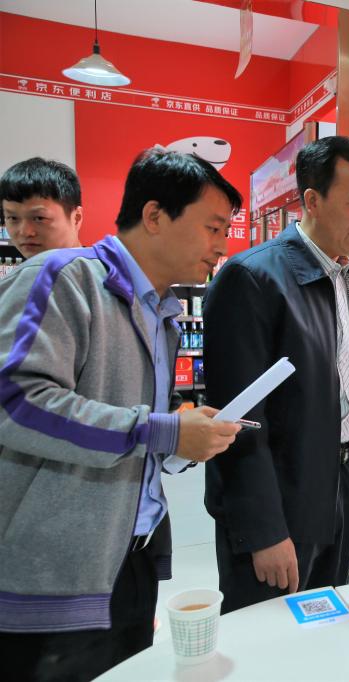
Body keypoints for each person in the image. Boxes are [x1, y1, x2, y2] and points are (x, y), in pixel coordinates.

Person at [0, 148, 242, 680]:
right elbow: (16, 400)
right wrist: (160, 430)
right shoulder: (63, 277)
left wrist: (184, 435)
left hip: (131, 559)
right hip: (54, 574)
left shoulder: (164, 315)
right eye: (213, 228)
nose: (222, 247)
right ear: (154, 216)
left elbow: (136, 429)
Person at [204, 136, 349, 613]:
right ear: (313, 201)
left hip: (338, 487)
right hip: (281, 500)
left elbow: (334, 374)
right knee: (267, 633)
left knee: (326, 624)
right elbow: (236, 422)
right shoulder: (253, 279)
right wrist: (264, 531)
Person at [0, 157, 84, 258]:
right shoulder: (30, 268)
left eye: (39, 218)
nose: (25, 232)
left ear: (76, 218)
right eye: (13, 218)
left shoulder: (95, 267)